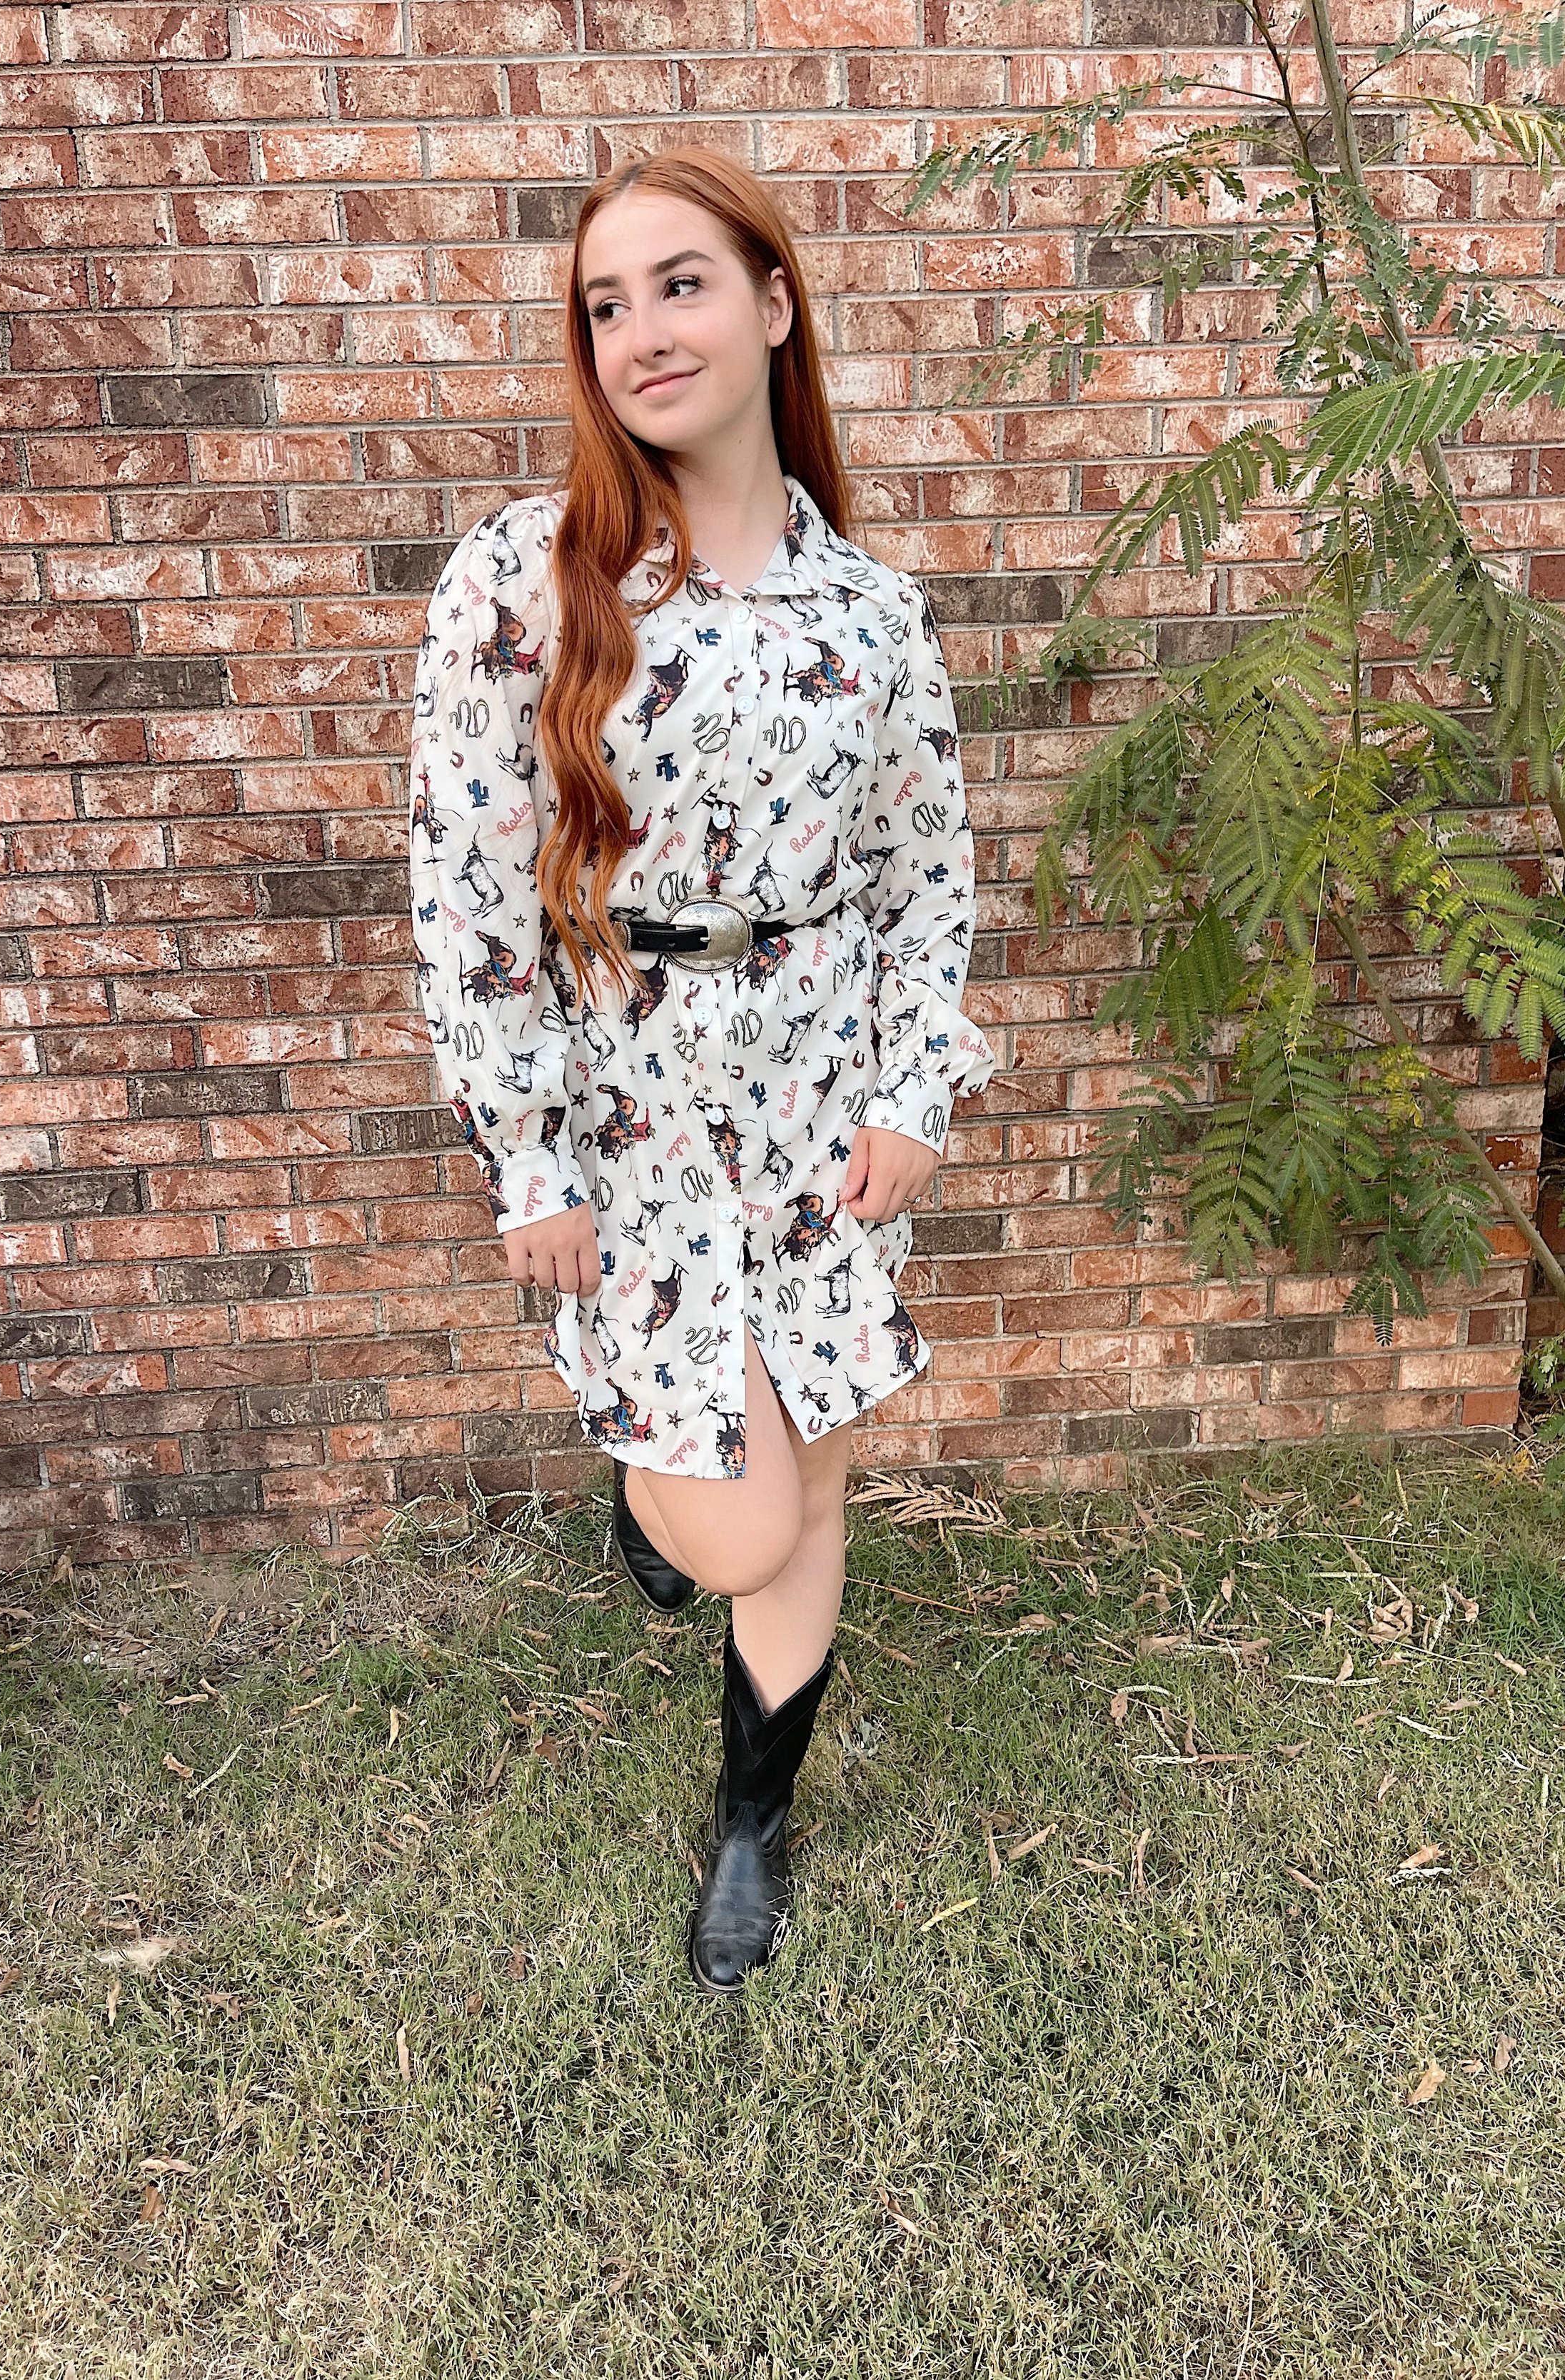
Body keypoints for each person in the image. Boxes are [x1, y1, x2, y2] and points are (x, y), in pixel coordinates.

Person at [407, 144, 995, 1994]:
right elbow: (467, 889)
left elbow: (924, 879)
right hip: (629, 1102)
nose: (642, 331)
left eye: (680, 284)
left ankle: (752, 1819)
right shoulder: (527, 579)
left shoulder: (870, 616)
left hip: (817, 1097)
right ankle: (639, 1455)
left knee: (812, 1482)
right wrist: (528, 1153)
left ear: (772, 302)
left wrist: (913, 1094)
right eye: (606, 304)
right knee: (737, 1524)